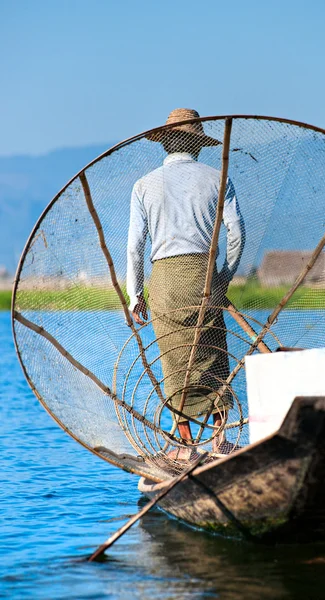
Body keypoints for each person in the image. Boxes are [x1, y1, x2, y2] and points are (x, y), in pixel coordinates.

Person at [127, 108, 245, 459]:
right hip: (203, 276)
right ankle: (220, 440)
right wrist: (223, 278)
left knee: (175, 360)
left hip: (164, 281)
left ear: (166, 143)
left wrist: (136, 295)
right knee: (213, 354)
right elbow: (237, 234)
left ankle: (186, 446)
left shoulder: (143, 185)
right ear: (197, 144)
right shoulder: (217, 177)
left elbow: (135, 247)